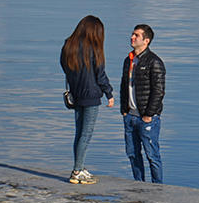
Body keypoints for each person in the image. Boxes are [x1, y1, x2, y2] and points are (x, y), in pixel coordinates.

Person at [60, 15, 114, 184]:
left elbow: (64, 67)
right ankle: (77, 171)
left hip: (76, 95)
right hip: (91, 96)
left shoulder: (68, 46)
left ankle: (80, 167)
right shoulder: (93, 48)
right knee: (86, 133)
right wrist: (109, 93)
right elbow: (100, 74)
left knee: (79, 133)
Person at [120, 23, 165, 183]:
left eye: (136, 35)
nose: (132, 37)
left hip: (147, 119)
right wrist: (124, 110)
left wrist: (148, 114)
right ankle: (139, 186)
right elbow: (124, 85)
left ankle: (158, 188)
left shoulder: (154, 62)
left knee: (152, 155)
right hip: (130, 117)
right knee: (132, 154)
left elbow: (158, 91)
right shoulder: (129, 60)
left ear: (146, 41)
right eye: (132, 34)